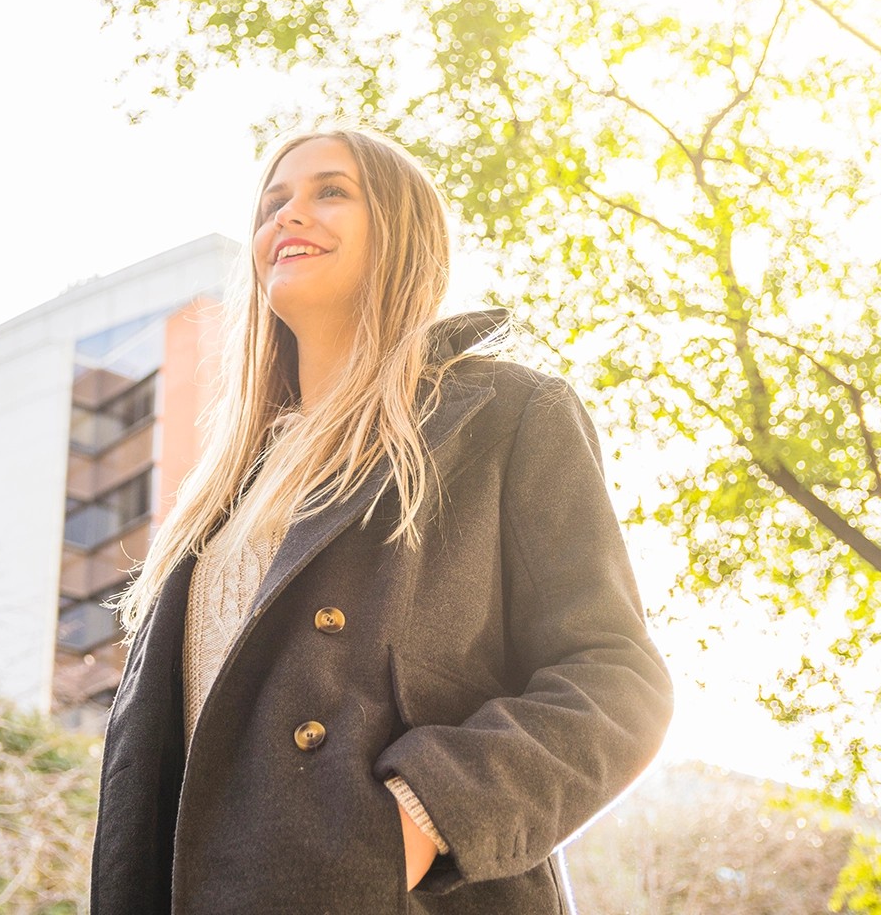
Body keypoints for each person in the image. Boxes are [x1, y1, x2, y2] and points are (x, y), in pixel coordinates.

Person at [89, 127, 673, 914]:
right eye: (273, 203)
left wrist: (422, 820)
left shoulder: (504, 416)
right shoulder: (224, 489)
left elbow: (615, 679)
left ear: (402, 232)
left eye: (331, 191)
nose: (289, 216)